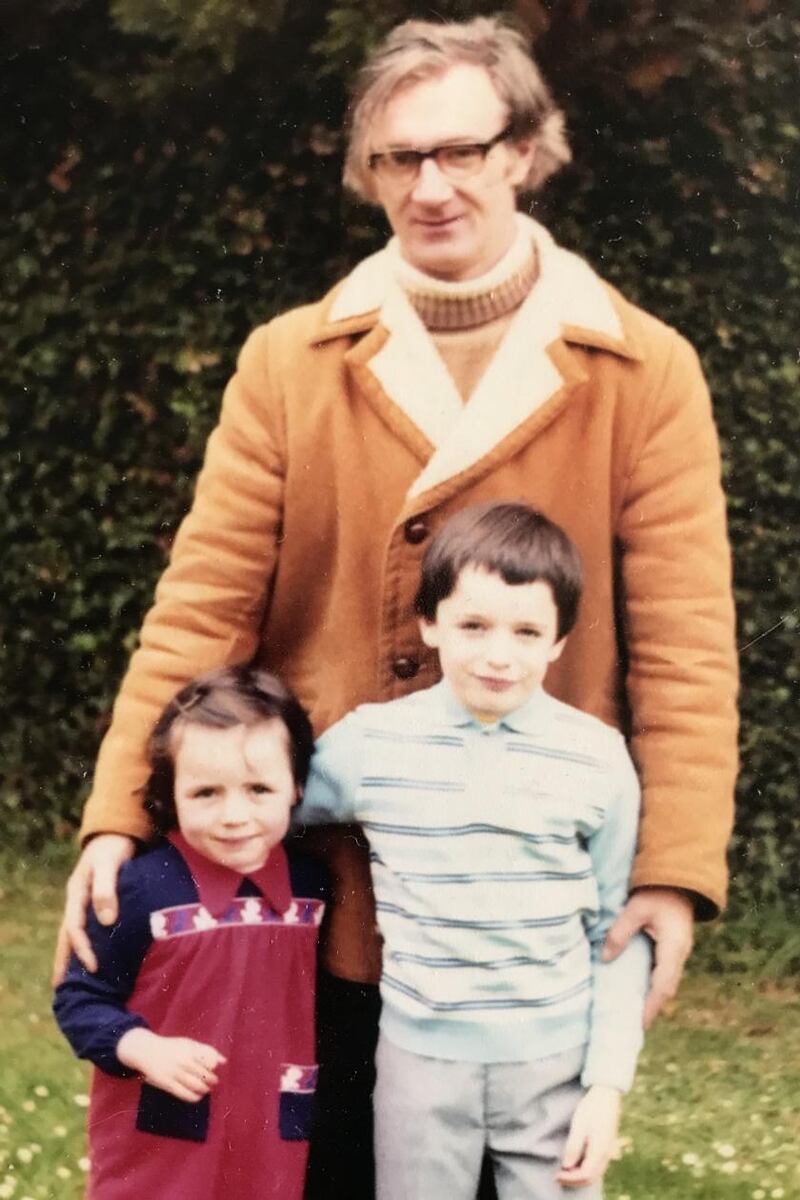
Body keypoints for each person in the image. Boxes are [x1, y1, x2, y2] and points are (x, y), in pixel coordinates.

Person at [55, 15, 738, 1197]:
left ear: (525, 150)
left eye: (461, 151)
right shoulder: (286, 362)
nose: (430, 187)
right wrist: (123, 811)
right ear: (366, 172)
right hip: (309, 889)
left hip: (517, 916)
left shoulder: (643, 368)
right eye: (396, 159)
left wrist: (668, 872)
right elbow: (199, 607)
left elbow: (686, 648)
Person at [297, 502, 652, 1198]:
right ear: (429, 623)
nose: (499, 655)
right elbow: (271, 810)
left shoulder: (598, 758)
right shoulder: (370, 744)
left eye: (526, 631)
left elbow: (618, 929)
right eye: (474, 626)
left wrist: (606, 1087)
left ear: (558, 641)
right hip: (418, 1060)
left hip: (555, 1065)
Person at [53, 667, 325, 1200]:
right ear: (170, 790)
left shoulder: (313, 887)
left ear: (295, 786)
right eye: (205, 793)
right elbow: (79, 998)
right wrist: (142, 1048)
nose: (234, 815)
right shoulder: (140, 890)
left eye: (258, 789)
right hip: (160, 1147)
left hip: (271, 1140)